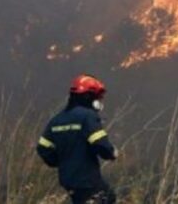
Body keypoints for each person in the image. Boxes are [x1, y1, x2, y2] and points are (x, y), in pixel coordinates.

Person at [36, 74, 118, 203]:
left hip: (68, 180)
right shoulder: (88, 116)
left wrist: (61, 161)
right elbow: (100, 143)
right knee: (108, 197)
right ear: (89, 96)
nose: (99, 102)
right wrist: (111, 152)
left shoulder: (57, 119)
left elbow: (42, 147)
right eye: (97, 97)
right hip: (87, 180)